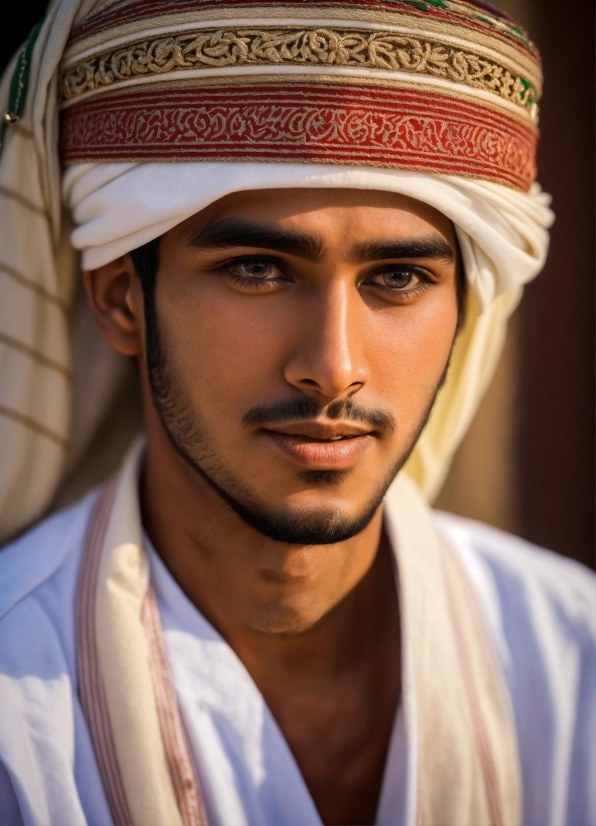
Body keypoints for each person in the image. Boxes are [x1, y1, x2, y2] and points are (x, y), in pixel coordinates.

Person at [0, 1, 593, 824]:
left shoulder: (576, 668)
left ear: (467, 308)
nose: (334, 367)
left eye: (397, 278)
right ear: (122, 300)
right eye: (257, 270)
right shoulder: (14, 709)